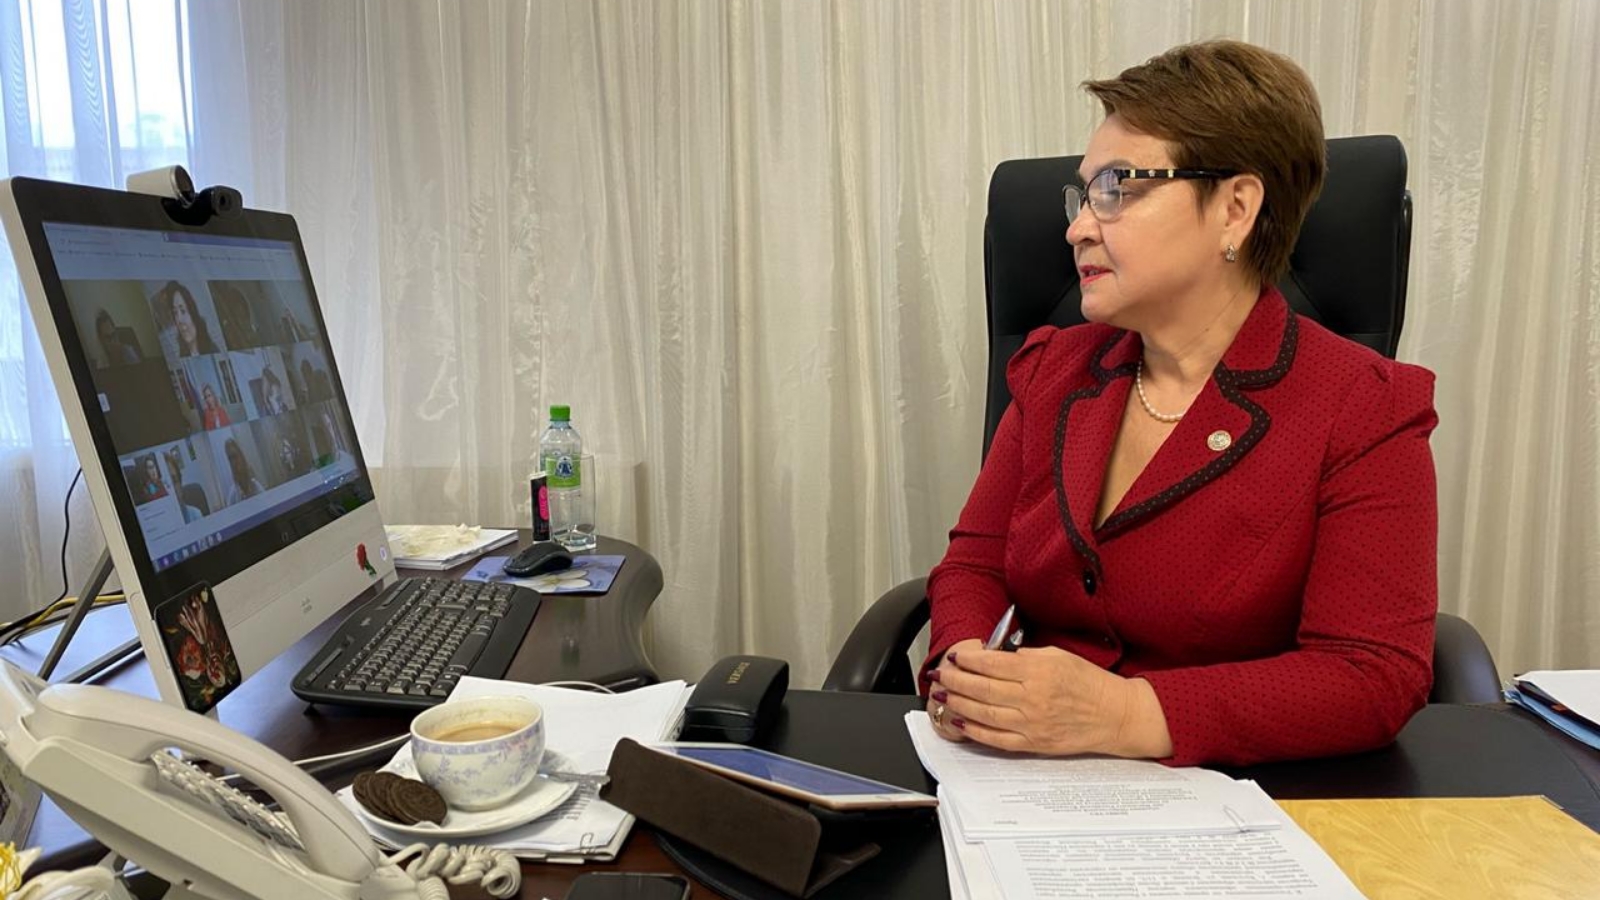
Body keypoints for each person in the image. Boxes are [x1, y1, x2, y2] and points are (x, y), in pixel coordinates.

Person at [922, 40, 1437, 768]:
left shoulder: (1365, 406)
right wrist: (969, 671)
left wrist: (1125, 714)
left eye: (1116, 188)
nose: (1077, 227)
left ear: (1235, 209)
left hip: (1234, 799)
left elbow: (1372, 674)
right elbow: (975, 565)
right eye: (1082, 195)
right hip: (1016, 785)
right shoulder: (1053, 372)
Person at [158, 282, 219, 357]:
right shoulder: (182, 355)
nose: (179, 320)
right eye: (175, 313)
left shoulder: (213, 350)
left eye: (183, 311)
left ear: (193, 313)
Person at [222, 438, 265, 504]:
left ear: (241, 457)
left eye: (234, 456)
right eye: (230, 459)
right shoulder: (233, 496)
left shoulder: (256, 486)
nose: (233, 462)